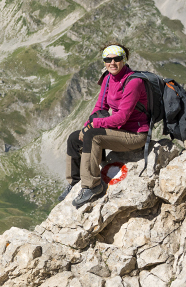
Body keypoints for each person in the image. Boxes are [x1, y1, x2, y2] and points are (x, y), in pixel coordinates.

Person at [58, 43, 150, 208]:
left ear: (124, 59)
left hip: (135, 135)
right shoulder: (108, 78)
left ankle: (92, 186)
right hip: (117, 131)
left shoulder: (133, 82)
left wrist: (93, 126)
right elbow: (100, 108)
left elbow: (121, 118)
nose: (112, 63)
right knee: (74, 138)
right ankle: (75, 182)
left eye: (117, 59)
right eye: (108, 59)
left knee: (92, 136)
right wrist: (88, 124)